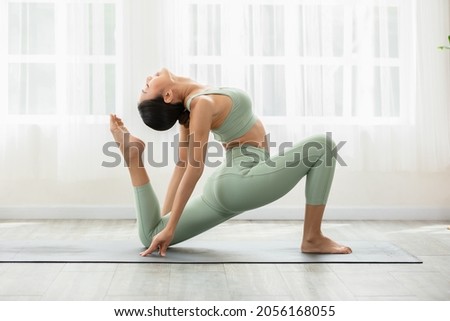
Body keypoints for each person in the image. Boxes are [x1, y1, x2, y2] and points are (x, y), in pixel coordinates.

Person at [109, 67, 352, 257]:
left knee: (149, 235)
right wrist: (170, 225)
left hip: (232, 184)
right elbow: (192, 167)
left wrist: (164, 225)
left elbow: (182, 165)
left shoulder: (193, 106)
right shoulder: (201, 104)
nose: (148, 78)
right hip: (241, 180)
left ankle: (134, 160)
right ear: (168, 95)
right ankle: (312, 237)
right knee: (322, 145)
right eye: (146, 87)